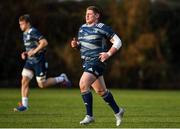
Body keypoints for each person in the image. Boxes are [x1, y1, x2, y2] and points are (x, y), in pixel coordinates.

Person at [70, 6, 125, 126]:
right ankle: (118, 111)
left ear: (97, 16)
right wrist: (76, 45)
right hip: (86, 62)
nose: (87, 16)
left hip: (97, 61)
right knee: (101, 91)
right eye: (86, 14)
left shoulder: (102, 27)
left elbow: (118, 42)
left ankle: (89, 116)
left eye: (90, 14)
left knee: (83, 84)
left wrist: (108, 54)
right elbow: (83, 46)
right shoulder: (82, 28)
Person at [14, 14, 71, 112]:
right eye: (19, 24)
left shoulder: (33, 31)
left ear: (27, 23)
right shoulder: (25, 33)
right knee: (24, 81)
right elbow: (31, 47)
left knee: (42, 85)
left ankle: (62, 78)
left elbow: (44, 42)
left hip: (39, 61)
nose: (20, 26)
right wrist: (26, 53)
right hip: (30, 61)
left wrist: (34, 51)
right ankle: (25, 106)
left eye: (22, 24)